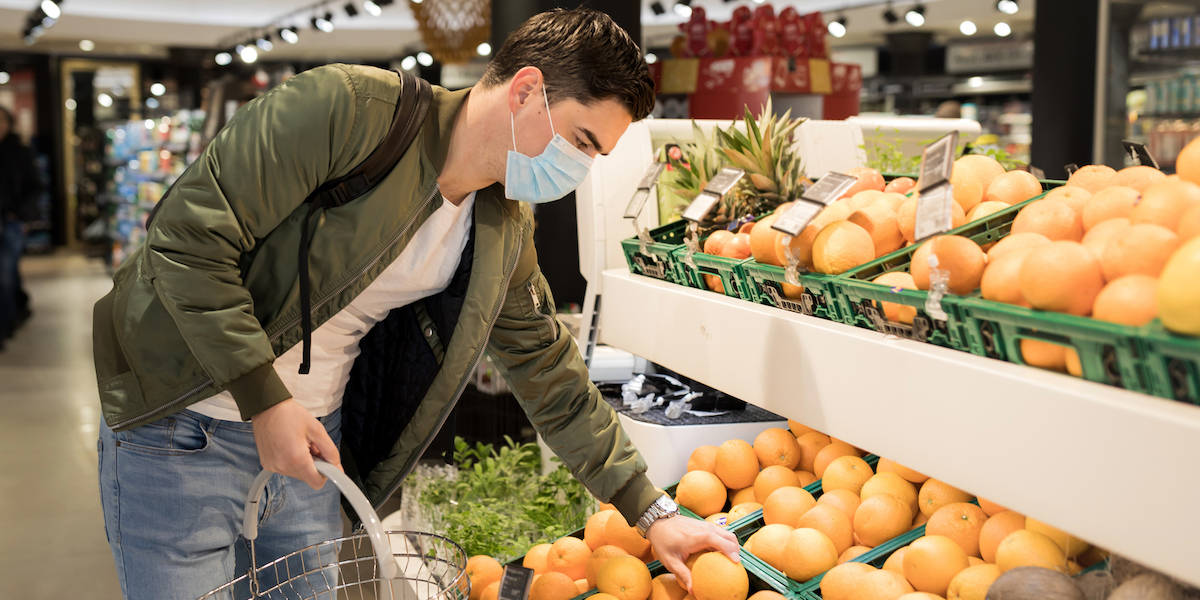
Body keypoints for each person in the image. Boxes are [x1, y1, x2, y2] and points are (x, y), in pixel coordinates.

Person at [93, 9, 738, 600]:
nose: (581, 168)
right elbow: (185, 243)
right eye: (583, 141)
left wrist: (651, 514)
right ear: (525, 91)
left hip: (316, 450)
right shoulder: (344, 110)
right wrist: (265, 400)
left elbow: (550, 372)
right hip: (181, 427)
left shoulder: (501, 228)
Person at [0, 105, 38, 348]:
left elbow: (34, 186)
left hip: (11, 222)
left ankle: (6, 326)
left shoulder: (19, 152)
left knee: (5, 275)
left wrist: (22, 216)